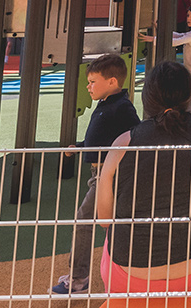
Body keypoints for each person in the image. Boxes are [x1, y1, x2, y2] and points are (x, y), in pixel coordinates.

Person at [95, 61, 191, 295]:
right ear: (189, 94)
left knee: (113, 236)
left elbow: (105, 218)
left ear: (148, 97)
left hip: (131, 277)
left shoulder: (122, 143)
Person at [52, 53, 142, 296]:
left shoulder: (122, 107)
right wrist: (81, 146)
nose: (88, 86)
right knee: (105, 223)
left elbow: (136, 135)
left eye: (93, 81)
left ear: (112, 82)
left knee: (85, 220)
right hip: (100, 173)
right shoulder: (107, 105)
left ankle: (79, 279)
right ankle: (119, 274)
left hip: (109, 175)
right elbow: (103, 137)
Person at [143, 3, 191, 116]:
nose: (188, 19)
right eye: (188, 15)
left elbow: (176, 41)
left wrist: (153, 39)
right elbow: (180, 35)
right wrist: (161, 31)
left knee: (187, 108)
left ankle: (185, 131)